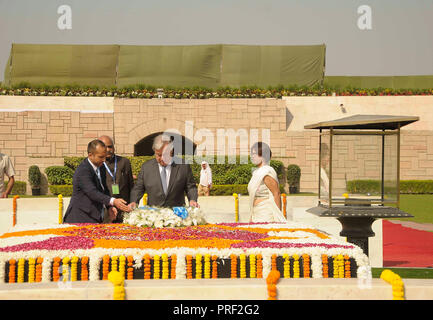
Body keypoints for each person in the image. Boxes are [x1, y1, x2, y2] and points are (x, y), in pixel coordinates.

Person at [63, 139, 131, 224]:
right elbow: (92, 192)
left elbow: (103, 189)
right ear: (90, 155)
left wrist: (109, 206)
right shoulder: (83, 170)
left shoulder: (101, 167)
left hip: (95, 218)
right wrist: (113, 201)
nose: (104, 160)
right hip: (80, 218)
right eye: (101, 157)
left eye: (105, 157)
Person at [128, 134, 199, 209]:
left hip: (177, 215)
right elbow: (138, 188)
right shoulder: (146, 167)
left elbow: (190, 187)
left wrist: (192, 199)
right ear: (155, 152)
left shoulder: (183, 166)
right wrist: (134, 201)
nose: (162, 158)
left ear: (171, 151)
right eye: (159, 155)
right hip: (153, 215)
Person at [247, 142, 286, 223]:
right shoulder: (256, 172)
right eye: (251, 154)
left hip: (266, 214)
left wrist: (278, 218)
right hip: (256, 212)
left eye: (254, 154)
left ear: (263, 156)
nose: (252, 156)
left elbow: (276, 193)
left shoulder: (266, 171)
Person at [98, 135, 134, 223]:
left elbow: (131, 186)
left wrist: (132, 204)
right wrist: (108, 206)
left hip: (124, 208)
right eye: (104, 147)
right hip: (106, 211)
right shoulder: (98, 164)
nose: (108, 149)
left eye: (110, 146)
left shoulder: (124, 162)